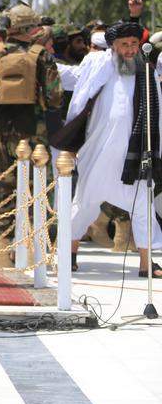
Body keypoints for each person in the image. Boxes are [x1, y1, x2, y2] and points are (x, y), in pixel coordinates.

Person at [0, 4, 63, 268]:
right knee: (37, 191)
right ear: (31, 28)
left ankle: (1, 253)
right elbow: (55, 97)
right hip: (34, 133)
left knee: (1, 191)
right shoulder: (41, 56)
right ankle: (36, 253)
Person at [69, 22, 162, 277]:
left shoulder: (147, 71)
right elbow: (79, 95)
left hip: (135, 152)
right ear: (113, 47)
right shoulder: (100, 65)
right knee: (85, 202)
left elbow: (159, 110)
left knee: (142, 203)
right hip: (99, 150)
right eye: (124, 45)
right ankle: (69, 252)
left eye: (134, 44)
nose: (131, 50)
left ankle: (146, 263)